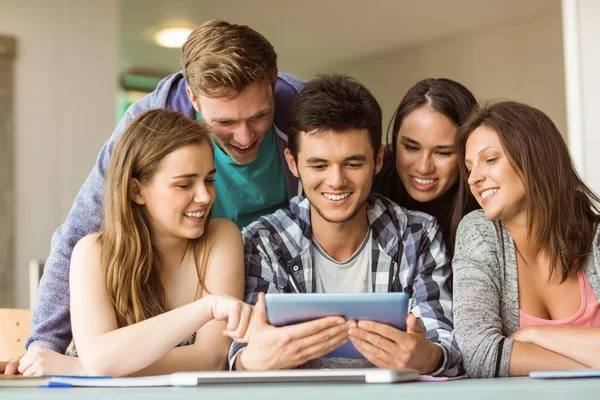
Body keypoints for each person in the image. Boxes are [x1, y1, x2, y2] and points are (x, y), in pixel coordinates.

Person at [11, 19, 303, 375]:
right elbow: (78, 232)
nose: (243, 137)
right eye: (225, 122)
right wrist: (43, 350)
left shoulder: (303, 115)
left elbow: (211, 357)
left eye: (258, 116)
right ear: (194, 99)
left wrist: (75, 366)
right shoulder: (149, 126)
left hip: (244, 298)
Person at [229, 74, 463, 376]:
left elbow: (444, 340)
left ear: (378, 159)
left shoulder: (417, 234)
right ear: (292, 163)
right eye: (318, 165)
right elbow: (241, 349)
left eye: (353, 164)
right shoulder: (263, 241)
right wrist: (249, 363)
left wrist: (428, 357)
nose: (336, 181)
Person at [19, 109, 252, 377]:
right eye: (184, 185)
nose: (205, 196)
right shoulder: (93, 253)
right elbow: (100, 358)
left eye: (209, 180)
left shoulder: (221, 238)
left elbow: (211, 359)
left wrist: (82, 368)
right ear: (136, 190)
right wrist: (206, 308)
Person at [452, 101, 600, 378]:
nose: (473, 178)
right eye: (469, 167)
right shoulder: (479, 235)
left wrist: (535, 335)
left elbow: (498, 355)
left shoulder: (597, 240)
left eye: (491, 159)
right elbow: (480, 355)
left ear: (535, 157)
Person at [373, 78, 478, 253]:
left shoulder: (486, 200)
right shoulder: (369, 178)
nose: (423, 167)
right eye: (411, 148)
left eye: (442, 152)